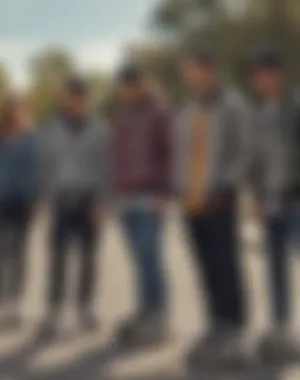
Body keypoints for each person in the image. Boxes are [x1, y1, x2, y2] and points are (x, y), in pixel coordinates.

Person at [176, 46, 251, 368]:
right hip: (191, 201)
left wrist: (225, 184)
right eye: (185, 70)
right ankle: (214, 324)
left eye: (191, 69)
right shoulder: (188, 109)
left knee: (226, 264)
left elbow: (245, 152)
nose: (187, 75)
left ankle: (234, 330)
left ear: (208, 69)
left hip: (219, 199)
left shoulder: (232, 104)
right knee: (204, 265)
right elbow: (181, 154)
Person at [40, 76, 109, 338]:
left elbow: (107, 167)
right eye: (65, 95)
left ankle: (85, 308)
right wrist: (46, 197)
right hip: (62, 200)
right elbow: (45, 165)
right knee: (57, 258)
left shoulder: (100, 128)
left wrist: (103, 201)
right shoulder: (52, 129)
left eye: (73, 95)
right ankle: (53, 311)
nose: (68, 99)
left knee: (89, 258)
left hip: (90, 200)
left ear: (83, 98)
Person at [112, 63, 173, 347]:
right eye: (123, 85)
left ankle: (160, 317)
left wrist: (164, 192)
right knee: (138, 259)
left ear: (141, 83)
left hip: (150, 195)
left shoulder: (159, 112)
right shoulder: (124, 116)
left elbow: (170, 153)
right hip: (126, 198)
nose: (126, 89)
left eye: (131, 83)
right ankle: (144, 311)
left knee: (151, 257)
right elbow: (117, 156)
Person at [249, 46, 300, 361]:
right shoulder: (259, 113)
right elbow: (255, 161)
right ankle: (281, 329)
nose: (259, 80)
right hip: (270, 204)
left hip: (297, 200)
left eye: (263, 74)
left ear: (277, 74)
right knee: (275, 270)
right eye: (255, 76)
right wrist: (256, 198)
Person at [0, 94, 39, 325]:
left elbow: (38, 170)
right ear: (3, 112)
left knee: (19, 254)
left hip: (23, 201)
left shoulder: (32, 138)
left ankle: (14, 303)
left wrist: (36, 200)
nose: (13, 113)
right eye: (9, 109)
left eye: (18, 109)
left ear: (23, 111)